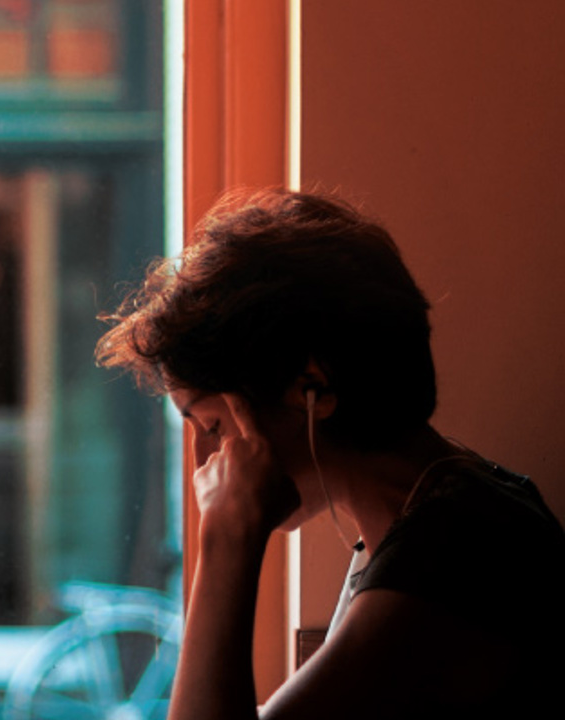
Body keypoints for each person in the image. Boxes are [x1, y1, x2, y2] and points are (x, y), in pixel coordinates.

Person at [95, 188, 565, 719]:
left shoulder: (451, 559)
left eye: (211, 425)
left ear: (309, 388)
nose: (206, 463)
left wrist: (228, 537)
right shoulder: (439, 511)